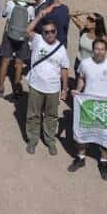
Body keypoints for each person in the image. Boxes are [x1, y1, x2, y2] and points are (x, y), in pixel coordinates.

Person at [70, 37, 107, 179]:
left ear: (106, 51)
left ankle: (104, 162)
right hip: (88, 104)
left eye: (102, 49)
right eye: (96, 49)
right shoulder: (85, 63)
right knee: (83, 131)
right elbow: (81, 78)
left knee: (105, 135)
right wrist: (78, 90)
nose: (99, 52)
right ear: (92, 50)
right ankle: (80, 158)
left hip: (105, 106)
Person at [23, 21, 71, 155]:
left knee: (51, 116)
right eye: (46, 32)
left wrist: (65, 88)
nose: (50, 34)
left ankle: (50, 140)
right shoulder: (38, 40)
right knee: (33, 115)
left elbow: (64, 69)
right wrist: (40, 15)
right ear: (42, 33)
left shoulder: (61, 48)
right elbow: (27, 31)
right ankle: (32, 140)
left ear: (56, 31)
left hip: (53, 88)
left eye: (53, 31)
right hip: (36, 85)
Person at [0, 0, 34, 99]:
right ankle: (16, 87)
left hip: (9, 35)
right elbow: (31, 21)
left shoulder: (10, 4)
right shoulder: (30, 8)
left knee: (5, 62)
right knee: (19, 64)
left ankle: (1, 87)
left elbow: (4, 15)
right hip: (23, 37)